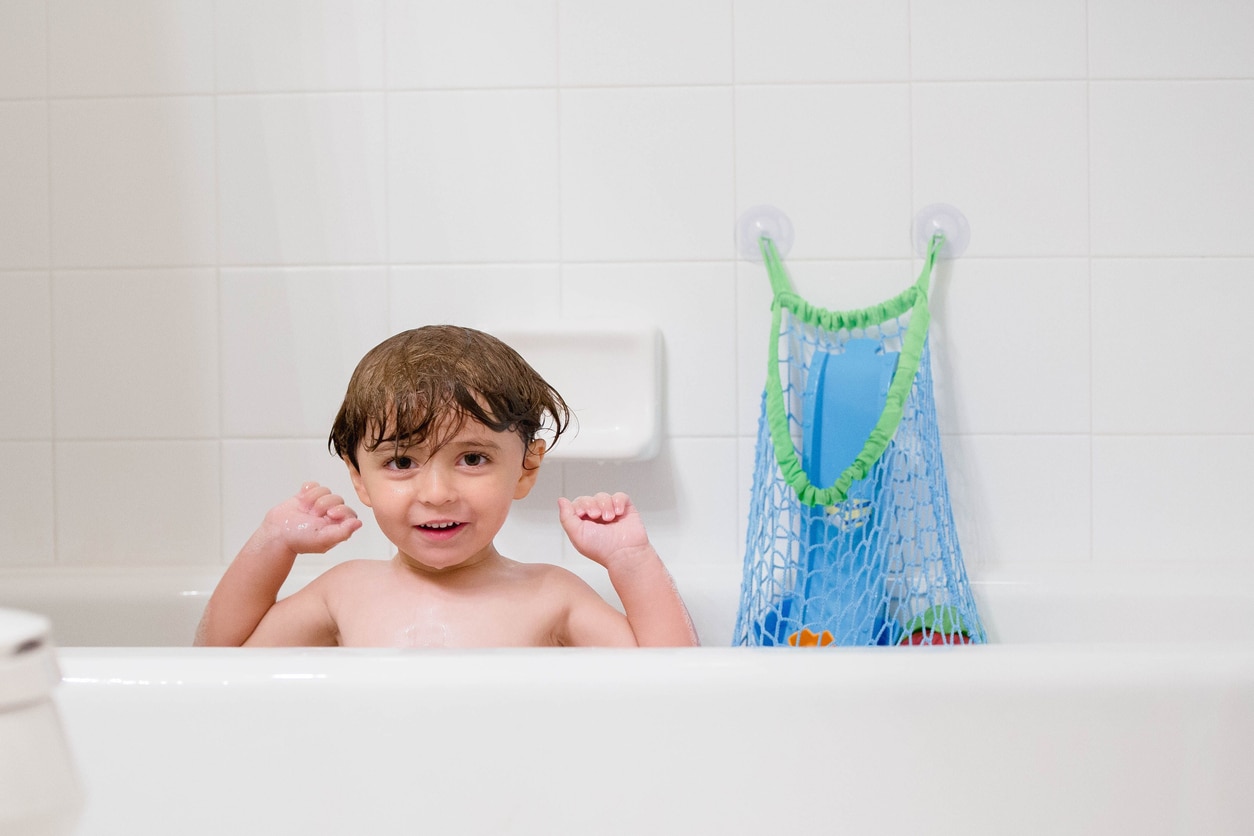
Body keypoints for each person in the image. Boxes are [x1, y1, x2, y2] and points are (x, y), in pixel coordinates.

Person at [195, 325, 698, 648]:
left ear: (526, 467)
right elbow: (218, 666)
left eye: (472, 458)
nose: (436, 492)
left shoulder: (550, 596)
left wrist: (631, 560)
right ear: (358, 478)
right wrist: (272, 544)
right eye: (401, 462)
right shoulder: (343, 592)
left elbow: (671, 685)